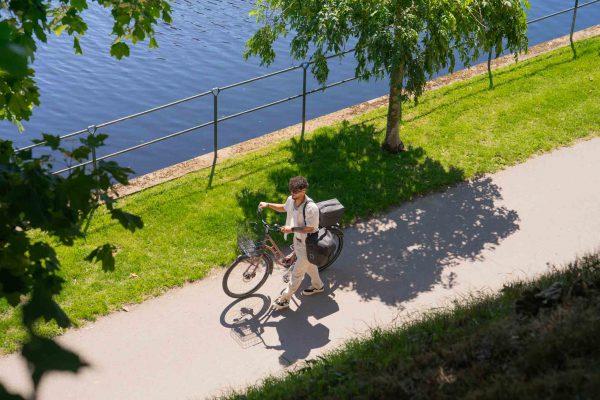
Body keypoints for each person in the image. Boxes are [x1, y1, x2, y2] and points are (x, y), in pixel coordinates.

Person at [259, 176, 324, 310]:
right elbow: (284, 207)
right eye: (291, 190)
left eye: (295, 191)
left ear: (304, 190)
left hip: (308, 244)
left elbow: (311, 228)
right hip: (298, 240)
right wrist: (268, 204)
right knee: (310, 266)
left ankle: (285, 299)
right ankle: (318, 286)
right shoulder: (291, 199)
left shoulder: (311, 208)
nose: (292, 193)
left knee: (296, 274)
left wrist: (291, 229)